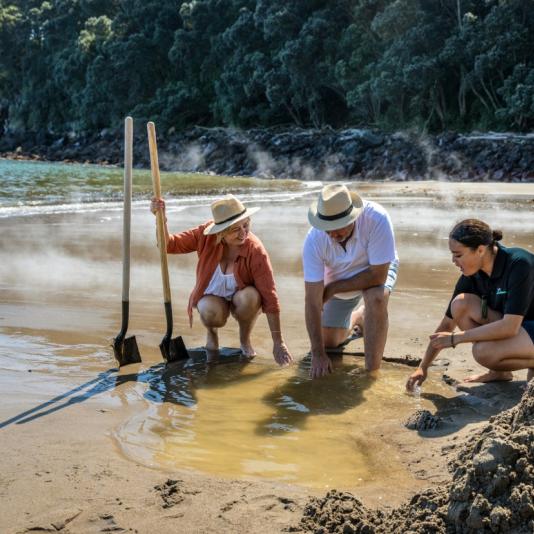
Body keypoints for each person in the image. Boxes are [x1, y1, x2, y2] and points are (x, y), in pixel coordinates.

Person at [150, 194, 292, 366]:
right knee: (208, 309)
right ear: (221, 232)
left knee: (252, 296)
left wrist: (278, 342)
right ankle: (212, 333)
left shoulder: (256, 251)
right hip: (212, 297)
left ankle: (245, 339)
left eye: (246, 225)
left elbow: (270, 297)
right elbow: (169, 245)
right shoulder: (205, 235)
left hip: (242, 298)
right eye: (235, 229)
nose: (243, 233)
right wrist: (162, 220)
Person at [406, 219, 534, 391]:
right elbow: (446, 324)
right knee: (461, 304)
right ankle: (500, 372)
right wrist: (423, 367)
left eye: (458, 255)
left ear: (480, 250)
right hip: (522, 327)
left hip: (521, 325)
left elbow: (510, 327)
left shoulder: (519, 263)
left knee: (483, 352)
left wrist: (456, 338)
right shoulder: (472, 273)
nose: (453, 260)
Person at [302, 184, 399, 378]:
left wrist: (334, 288)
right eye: (327, 229)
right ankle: (359, 317)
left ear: (353, 217)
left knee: (376, 296)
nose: (332, 234)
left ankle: (372, 372)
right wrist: (318, 353)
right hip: (337, 275)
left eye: (338, 228)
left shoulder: (376, 218)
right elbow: (312, 301)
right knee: (330, 342)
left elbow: (378, 275)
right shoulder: (314, 240)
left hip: (374, 268)